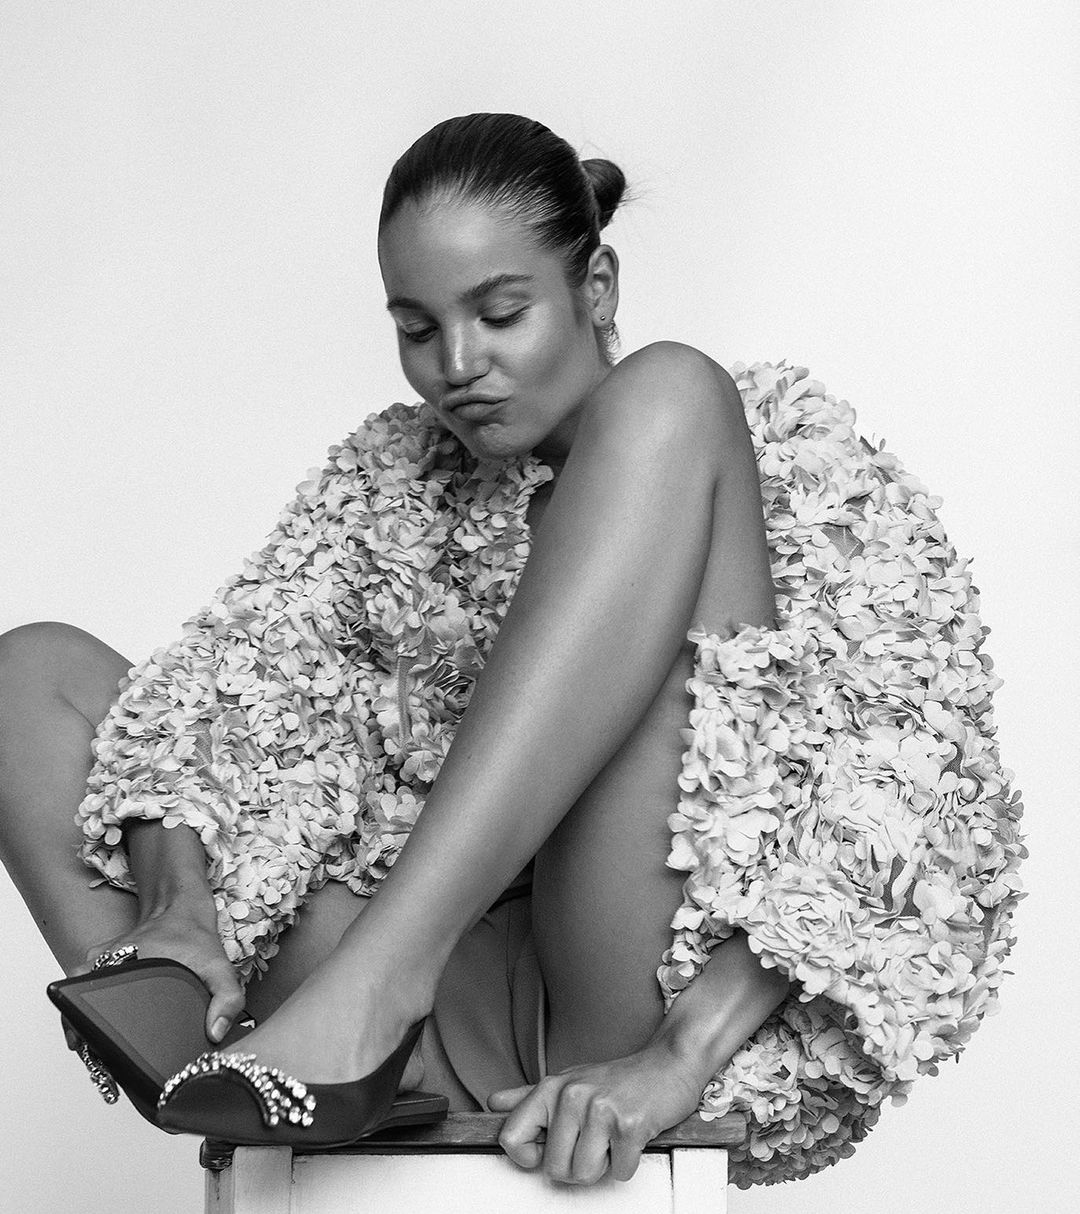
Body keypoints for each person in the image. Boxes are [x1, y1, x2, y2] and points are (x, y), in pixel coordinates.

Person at [0, 113, 1022, 1190]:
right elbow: (219, 692)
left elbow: (903, 810)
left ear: (598, 287)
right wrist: (178, 902)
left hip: (615, 1007)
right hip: (413, 1034)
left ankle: (369, 996)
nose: (456, 366)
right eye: (416, 327)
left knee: (669, 392)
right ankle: (243, 1034)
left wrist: (679, 1059)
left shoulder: (790, 455)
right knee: (32, 678)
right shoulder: (398, 475)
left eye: (499, 314)